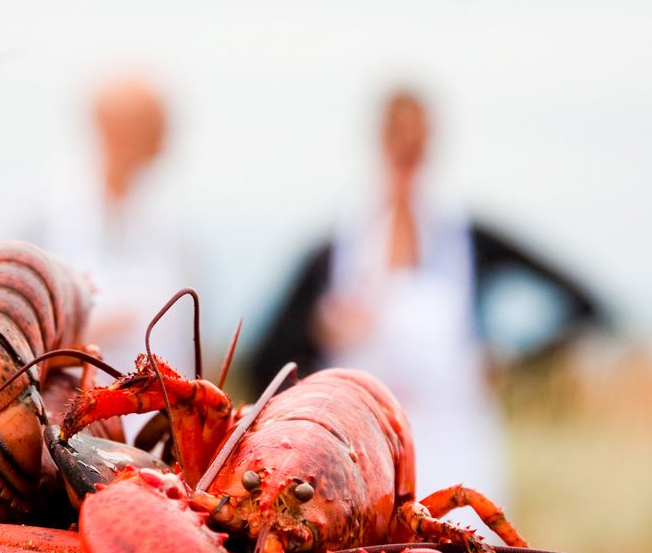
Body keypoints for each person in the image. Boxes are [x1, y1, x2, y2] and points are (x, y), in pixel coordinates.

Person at [249, 89, 606, 500]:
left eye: (415, 135)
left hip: (456, 452)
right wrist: (318, 334)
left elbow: (584, 304)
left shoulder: (472, 241)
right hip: (359, 460)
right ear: (379, 139)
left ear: (431, 141)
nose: (406, 147)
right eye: (397, 133)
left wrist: (511, 359)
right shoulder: (332, 253)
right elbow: (267, 358)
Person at [35, 74, 195, 379]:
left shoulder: (175, 230)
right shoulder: (36, 215)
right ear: (108, 127)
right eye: (149, 125)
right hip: (54, 418)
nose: (162, 138)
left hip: (161, 420)